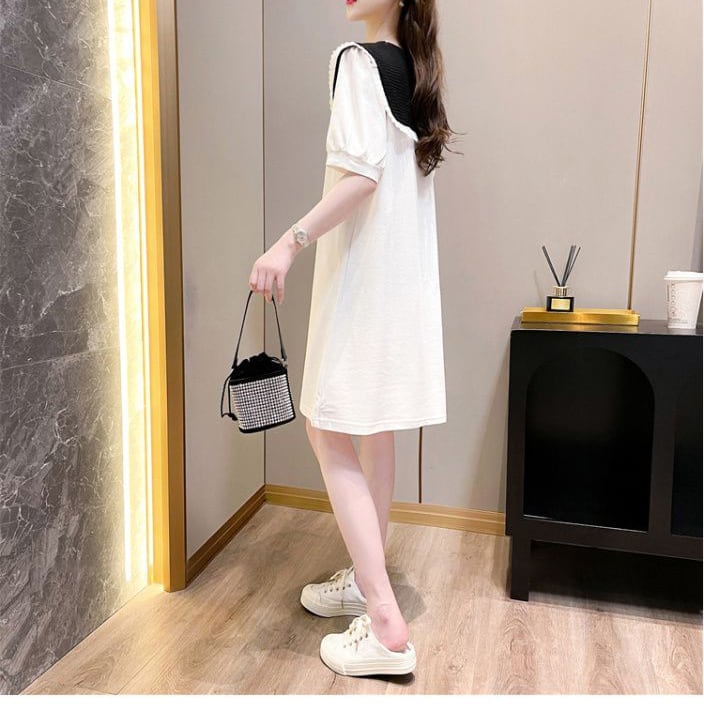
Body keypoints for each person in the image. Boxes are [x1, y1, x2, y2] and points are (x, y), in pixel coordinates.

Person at [248, 0, 458, 677]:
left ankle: (386, 626)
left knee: (327, 427)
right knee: (374, 430)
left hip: (363, 286)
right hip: (400, 289)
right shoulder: (415, 73)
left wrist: (287, 243)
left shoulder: (358, 62)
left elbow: (362, 179)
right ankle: (368, 584)